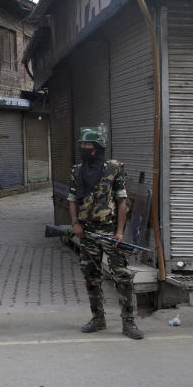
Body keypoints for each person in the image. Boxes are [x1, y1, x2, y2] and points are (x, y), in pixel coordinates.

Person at [68, 127, 143, 339]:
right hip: (87, 232)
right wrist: (75, 223)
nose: (84, 148)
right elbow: (72, 200)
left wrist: (120, 232)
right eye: (82, 145)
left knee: (122, 276)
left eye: (88, 145)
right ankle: (98, 318)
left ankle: (129, 322)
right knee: (91, 276)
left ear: (98, 148)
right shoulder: (77, 171)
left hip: (109, 230)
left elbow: (122, 203)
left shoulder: (113, 169)